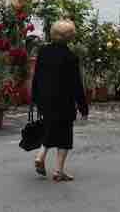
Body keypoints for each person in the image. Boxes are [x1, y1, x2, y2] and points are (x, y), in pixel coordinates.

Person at [31, 19, 88, 182]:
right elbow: (76, 85)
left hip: (44, 99)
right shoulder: (70, 57)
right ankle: (58, 170)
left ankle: (41, 155)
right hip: (64, 101)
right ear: (70, 37)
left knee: (50, 127)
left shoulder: (43, 52)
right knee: (64, 134)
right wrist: (83, 107)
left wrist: (34, 97)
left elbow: (37, 76)